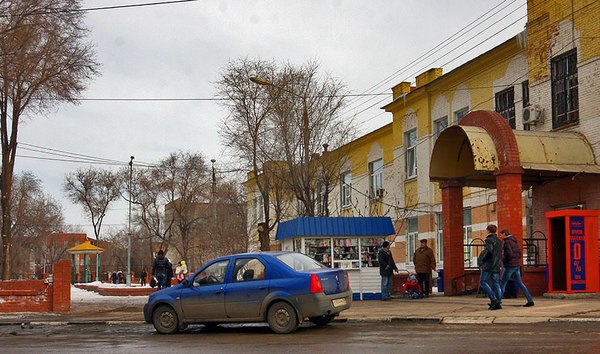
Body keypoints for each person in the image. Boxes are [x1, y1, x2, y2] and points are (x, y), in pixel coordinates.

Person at [499, 229, 534, 307]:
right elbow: (519, 254)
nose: (500, 236)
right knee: (520, 283)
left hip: (509, 266)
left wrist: (503, 260)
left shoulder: (507, 242)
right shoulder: (514, 241)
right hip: (516, 265)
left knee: (502, 283)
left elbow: (509, 254)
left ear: (504, 234)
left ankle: (498, 302)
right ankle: (530, 300)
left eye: (501, 234)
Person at [478, 224, 503, 310]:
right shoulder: (499, 241)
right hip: (496, 264)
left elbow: (489, 251)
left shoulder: (489, 240)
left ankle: (493, 299)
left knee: (483, 281)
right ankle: (498, 302)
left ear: (488, 230)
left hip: (488, 265)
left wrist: (483, 260)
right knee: (496, 283)